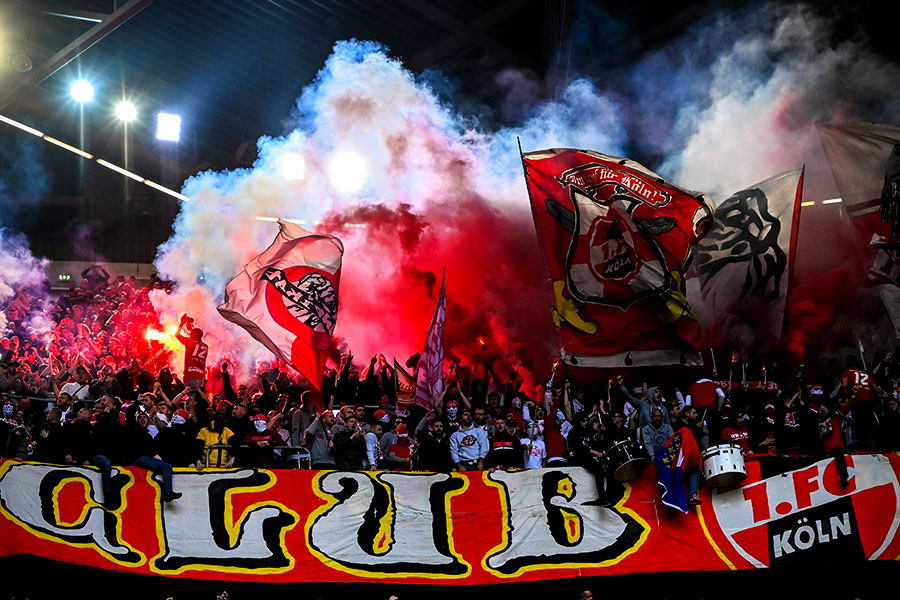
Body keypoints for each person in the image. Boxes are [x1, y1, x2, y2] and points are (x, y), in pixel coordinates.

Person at [175, 314, 208, 389]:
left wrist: (182, 323)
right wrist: (191, 329)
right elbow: (197, 339)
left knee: (190, 394)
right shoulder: (205, 346)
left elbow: (177, 334)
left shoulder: (189, 342)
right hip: (201, 377)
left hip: (190, 376)